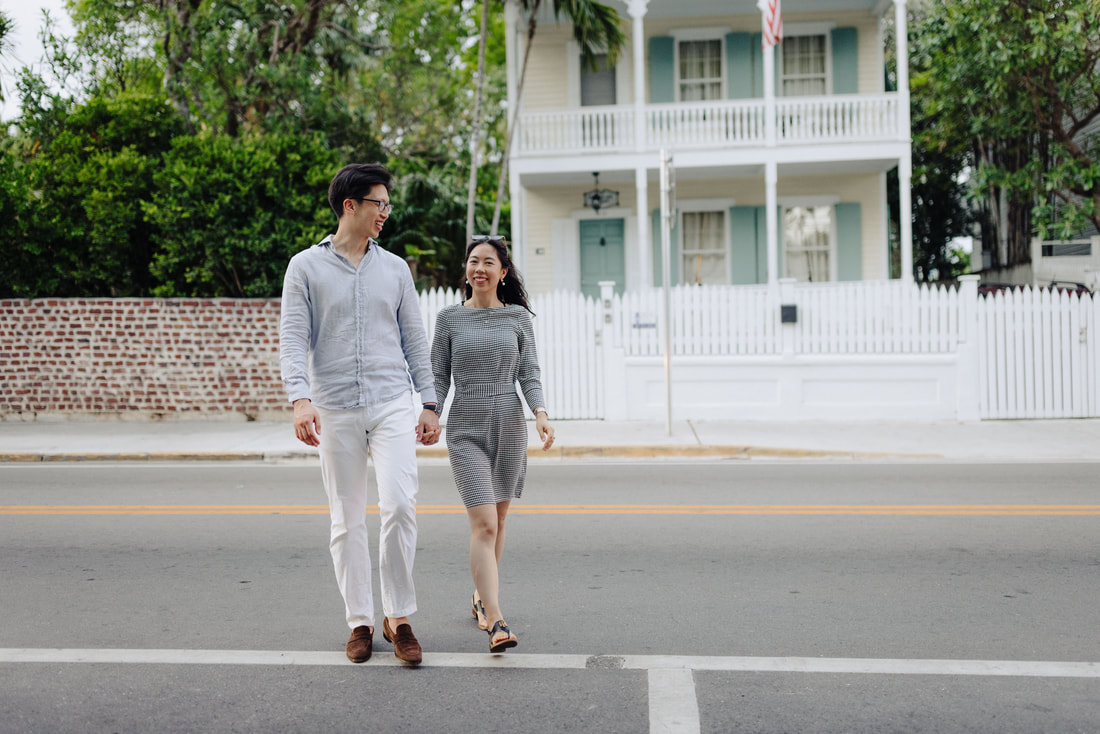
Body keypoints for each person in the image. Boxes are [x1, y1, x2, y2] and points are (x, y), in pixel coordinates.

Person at [279, 163, 442, 665]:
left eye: (388, 205)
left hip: (392, 401)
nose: (386, 214)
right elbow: (292, 338)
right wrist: (299, 397)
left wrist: (430, 403)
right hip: (334, 406)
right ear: (350, 206)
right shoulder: (304, 267)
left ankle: (399, 617)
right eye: (379, 204)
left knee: (399, 505)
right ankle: (361, 621)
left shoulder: (395, 269)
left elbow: (415, 339)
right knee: (346, 520)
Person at [430, 236, 555, 653]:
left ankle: (482, 599)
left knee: (499, 522)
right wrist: (431, 411)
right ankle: (497, 620)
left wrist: (540, 412)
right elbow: (438, 376)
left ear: (503, 272)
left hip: (509, 423)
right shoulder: (448, 319)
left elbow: (530, 371)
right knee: (483, 524)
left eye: (488, 262)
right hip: (465, 426)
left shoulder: (518, 318)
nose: (479, 268)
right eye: (473, 261)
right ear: (465, 269)